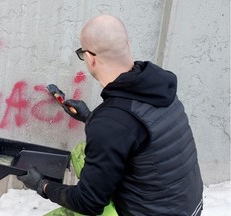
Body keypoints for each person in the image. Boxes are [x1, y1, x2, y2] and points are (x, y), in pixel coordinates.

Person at [17, 14, 203, 216]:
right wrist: (90, 117)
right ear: (127, 45)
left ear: (90, 58)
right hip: (187, 207)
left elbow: (88, 203)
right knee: (83, 151)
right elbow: (136, 134)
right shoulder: (157, 88)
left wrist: (42, 186)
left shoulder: (112, 122)